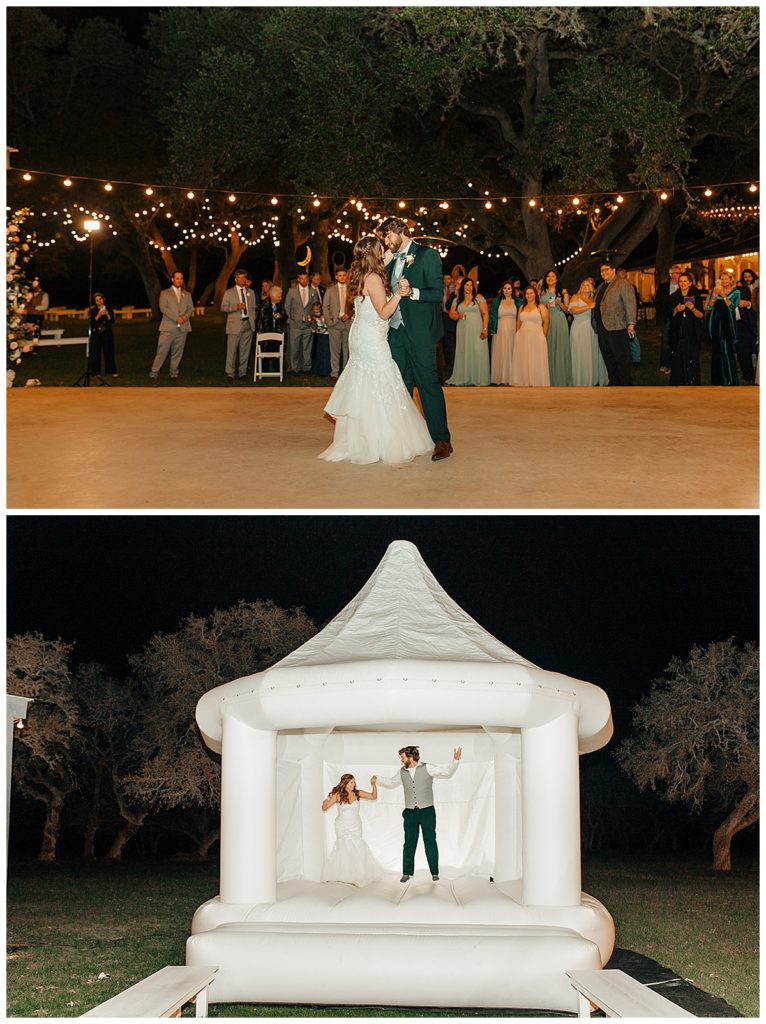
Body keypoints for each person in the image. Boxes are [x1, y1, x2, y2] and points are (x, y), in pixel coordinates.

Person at [319, 234, 433, 465]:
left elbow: (390, 254)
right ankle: (379, 440)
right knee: (382, 379)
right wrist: (400, 295)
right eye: (380, 248)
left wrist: (398, 240)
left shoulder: (360, 274)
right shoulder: (374, 279)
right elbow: (384, 312)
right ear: (373, 254)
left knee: (365, 382)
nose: (385, 250)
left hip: (361, 334)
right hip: (371, 337)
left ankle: (362, 437)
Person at [380, 216, 453, 461]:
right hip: (396, 331)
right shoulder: (390, 260)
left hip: (421, 332)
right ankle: (401, 439)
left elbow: (437, 293)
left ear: (401, 231)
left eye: (388, 236)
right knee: (399, 386)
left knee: (427, 385)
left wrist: (412, 292)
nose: (386, 241)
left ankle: (442, 440)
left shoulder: (427, 255)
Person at [376, 745, 462, 883]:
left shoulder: (427, 767)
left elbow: (446, 772)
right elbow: (392, 782)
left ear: (411, 757)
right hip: (410, 812)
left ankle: (434, 872)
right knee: (409, 843)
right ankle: (407, 872)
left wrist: (455, 761)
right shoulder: (402, 772)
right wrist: (378, 779)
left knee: (430, 841)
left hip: (427, 811)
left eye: (402, 757)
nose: (401, 760)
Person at [320, 773, 383, 887]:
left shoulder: (357, 793)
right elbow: (325, 807)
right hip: (342, 825)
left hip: (355, 825)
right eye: (351, 782)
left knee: (357, 846)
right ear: (345, 783)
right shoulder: (338, 795)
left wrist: (373, 785)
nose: (353, 784)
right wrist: (326, 800)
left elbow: (373, 797)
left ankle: (358, 876)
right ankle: (344, 875)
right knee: (344, 847)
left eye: (354, 782)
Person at [593, 263, 637, 386]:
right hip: (602, 327)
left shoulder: (623, 283)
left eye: (606, 269)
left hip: (617, 326)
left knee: (622, 357)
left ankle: (625, 384)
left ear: (613, 270)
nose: (604, 272)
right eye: (601, 270)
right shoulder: (601, 286)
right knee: (608, 357)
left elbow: (630, 303)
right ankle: (614, 382)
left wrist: (631, 323)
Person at [149, 270, 193, 384]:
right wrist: (176, 318)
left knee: (178, 352)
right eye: (177, 278)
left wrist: (184, 317)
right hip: (168, 327)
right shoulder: (165, 293)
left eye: (181, 278)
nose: (179, 280)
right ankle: (154, 373)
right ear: (172, 279)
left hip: (183, 327)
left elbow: (190, 308)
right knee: (162, 351)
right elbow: (163, 308)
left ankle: (174, 373)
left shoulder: (187, 295)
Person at [445, 277, 490, 386]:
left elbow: (485, 314)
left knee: (477, 351)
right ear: (463, 286)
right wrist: (458, 315)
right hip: (462, 329)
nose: (469, 287)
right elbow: (451, 314)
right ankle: (464, 377)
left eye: (471, 285)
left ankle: (478, 378)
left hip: (477, 328)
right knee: (463, 351)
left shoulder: (478, 298)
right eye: (466, 285)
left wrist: (485, 328)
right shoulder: (457, 299)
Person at [568, 280, 607, 386]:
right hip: (579, 329)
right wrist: (589, 307)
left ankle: (592, 379)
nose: (585, 286)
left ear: (591, 288)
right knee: (580, 353)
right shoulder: (576, 297)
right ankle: (581, 380)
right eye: (583, 285)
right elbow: (574, 310)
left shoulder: (593, 299)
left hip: (591, 330)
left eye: (587, 285)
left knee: (591, 353)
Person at [221, 268, 256, 381]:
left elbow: (253, 308)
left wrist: (252, 319)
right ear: (236, 280)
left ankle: (242, 373)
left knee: (245, 350)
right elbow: (223, 308)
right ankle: (230, 373)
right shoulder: (229, 292)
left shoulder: (250, 292)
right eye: (240, 278)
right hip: (234, 325)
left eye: (244, 278)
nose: (242, 280)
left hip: (248, 324)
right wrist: (235, 307)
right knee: (232, 350)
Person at [668, 272, 704, 385]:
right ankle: (678, 382)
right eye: (680, 281)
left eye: (685, 281)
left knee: (691, 356)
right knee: (677, 356)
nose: (682, 283)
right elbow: (669, 315)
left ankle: (692, 382)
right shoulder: (673, 297)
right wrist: (676, 310)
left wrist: (693, 309)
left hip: (692, 332)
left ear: (690, 283)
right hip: (677, 332)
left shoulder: (695, 296)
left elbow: (701, 315)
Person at [511, 285, 550, 386]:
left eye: (531, 293)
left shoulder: (540, 307)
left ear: (535, 294)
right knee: (524, 359)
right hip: (523, 337)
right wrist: (517, 334)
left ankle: (536, 382)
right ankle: (524, 381)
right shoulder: (521, 307)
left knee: (536, 359)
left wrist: (543, 336)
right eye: (527, 293)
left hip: (537, 336)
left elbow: (546, 321)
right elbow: (518, 321)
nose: (529, 295)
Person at [706, 271, 740, 385]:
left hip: (727, 326)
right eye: (722, 279)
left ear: (731, 280)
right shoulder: (715, 291)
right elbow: (709, 308)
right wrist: (715, 296)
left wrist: (724, 295)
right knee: (716, 353)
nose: (724, 281)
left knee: (728, 352)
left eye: (726, 279)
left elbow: (732, 307)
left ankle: (731, 380)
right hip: (716, 325)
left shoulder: (736, 292)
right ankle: (717, 381)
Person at [539, 270, 572, 385]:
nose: (550, 278)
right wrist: (545, 306)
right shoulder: (541, 292)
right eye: (548, 276)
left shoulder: (563, 292)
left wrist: (559, 303)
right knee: (548, 347)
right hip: (546, 320)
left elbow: (567, 310)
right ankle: (548, 378)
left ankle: (561, 378)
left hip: (559, 320)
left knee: (560, 348)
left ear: (557, 279)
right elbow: (537, 307)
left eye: (553, 276)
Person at [284, 271, 320, 374]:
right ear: (298, 279)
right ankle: (294, 368)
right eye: (301, 278)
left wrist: (312, 314)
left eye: (305, 278)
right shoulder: (292, 291)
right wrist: (292, 318)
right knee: (294, 347)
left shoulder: (312, 291)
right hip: (295, 324)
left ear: (308, 279)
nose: (304, 280)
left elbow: (316, 307)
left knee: (307, 348)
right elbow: (287, 307)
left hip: (308, 324)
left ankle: (306, 368)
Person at [322, 267, 353, 380]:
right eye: (340, 275)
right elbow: (325, 306)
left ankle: (345, 373)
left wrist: (348, 314)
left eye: (344, 275)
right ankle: (334, 373)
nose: (342, 277)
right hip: (334, 323)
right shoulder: (330, 290)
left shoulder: (351, 289)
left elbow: (355, 305)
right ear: (336, 277)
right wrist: (329, 320)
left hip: (347, 323)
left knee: (347, 349)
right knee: (335, 350)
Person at [654, 264, 682, 375]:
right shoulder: (663, 287)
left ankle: (677, 364)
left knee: (678, 341)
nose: (679, 275)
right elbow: (658, 302)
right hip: (667, 318)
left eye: (680, 273)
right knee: (666, 342)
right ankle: (665, 364)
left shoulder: (683, 286)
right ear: (671, 274)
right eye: (676, 273)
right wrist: (663, 316)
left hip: (680, 318)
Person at [488, 280, 517, 385]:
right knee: (501, 352)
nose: (507, 291)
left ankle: (512, 377)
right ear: (502, 290)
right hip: (500, 329)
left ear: (512, 289)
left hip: (514, 329)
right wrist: (491, 329)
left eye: (509, 288)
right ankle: (500, 377)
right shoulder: (497, 302)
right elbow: (492, 316)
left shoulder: (518, 301)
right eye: (505, 288)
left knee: (513, 351)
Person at [735, 269, 758, 383]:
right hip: (744, 322)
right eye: (745, 276)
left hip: (753, 320)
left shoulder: (758, 286)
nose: (747, 278)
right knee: (744, 349)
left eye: (749, 276)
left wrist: (748, 303)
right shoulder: (740, 288)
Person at [88, 292, 117, 376]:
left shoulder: (109, 308)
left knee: (109, 352)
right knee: (96, 352)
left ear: (103, 299)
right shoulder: (93, 310)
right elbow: (92, 321)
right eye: (97, 300)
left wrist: (107, 314)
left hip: (107, 332)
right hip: (96, 333)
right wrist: (99, 314)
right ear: (95, 302)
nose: (99, 302)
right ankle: (96, 371)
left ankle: (111, 370)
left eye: (100, 299)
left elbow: (112, 321)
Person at [617, 268, 641, 367]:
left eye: (624, 275)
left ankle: (636, 359)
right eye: (621, 275)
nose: (623, 277)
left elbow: (634, 302)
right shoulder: (613, 287)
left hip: (628, 316)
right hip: (619, 318)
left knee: (632, 338)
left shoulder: (631, 286)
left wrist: (634, 316)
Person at [310, 301, 331, 377]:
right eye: (314, 309)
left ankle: (325, 371)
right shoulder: (313, 316)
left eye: (317, 309)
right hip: (318, 335)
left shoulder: (324, 316)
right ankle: (317, 370)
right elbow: (313, 326)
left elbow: (324, 324)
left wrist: (318, 319)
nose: (316, 311)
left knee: (325, 352)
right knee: (317, 352)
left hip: (325, 335)